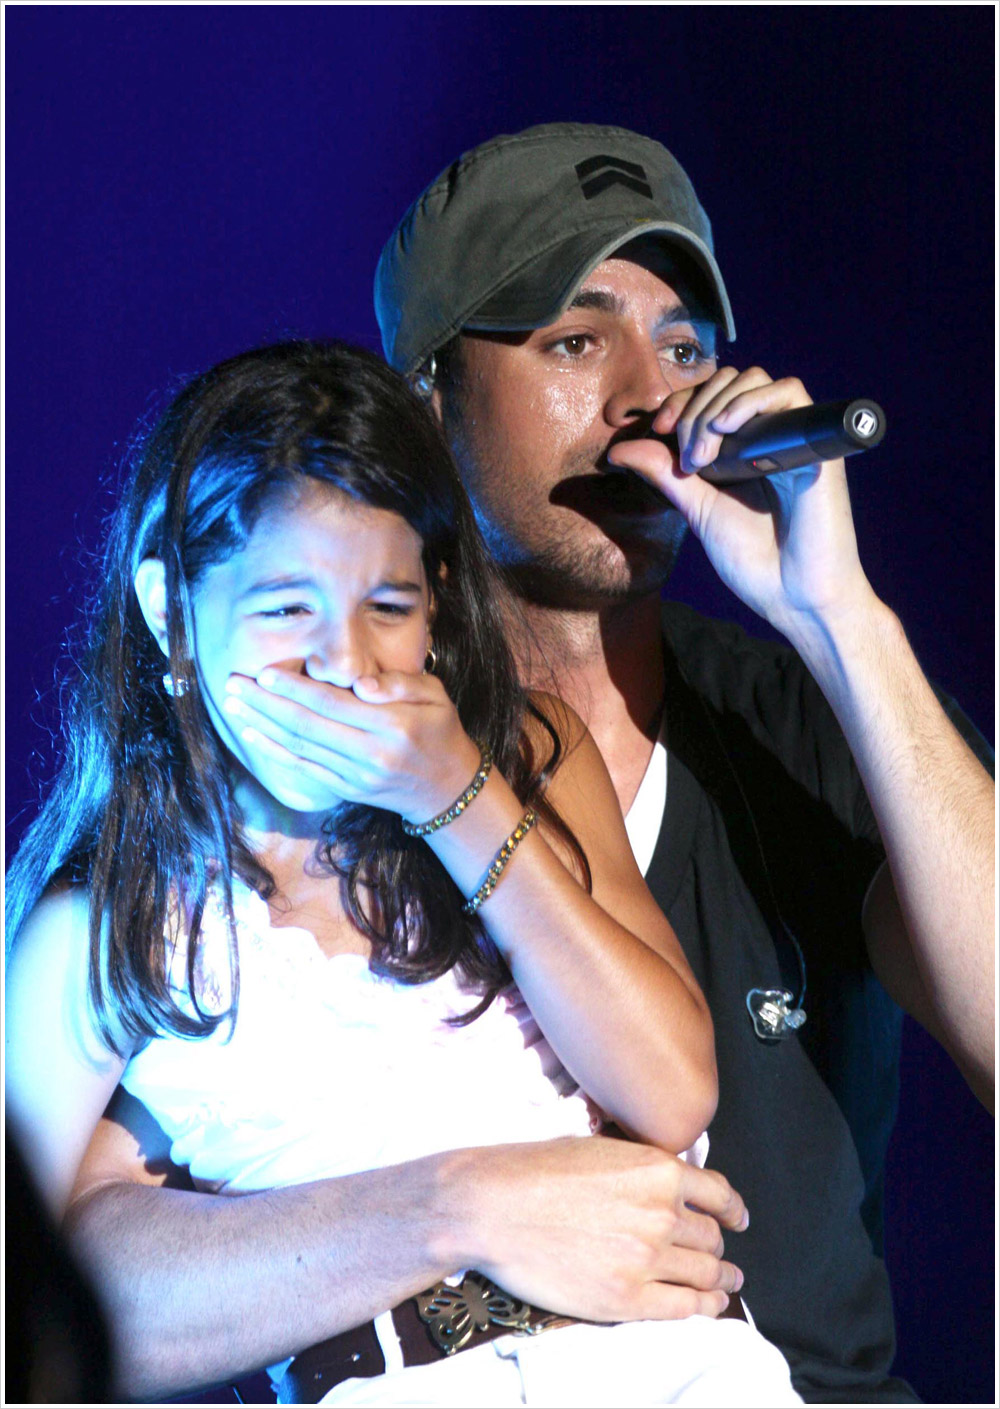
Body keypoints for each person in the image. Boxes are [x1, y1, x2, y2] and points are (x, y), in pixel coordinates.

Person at [208, 125, 993, 1400]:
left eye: (682, 346)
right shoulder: (309, 755)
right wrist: (452, 1209)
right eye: (576, 342)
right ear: (425, 402)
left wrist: (836, 614)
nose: (646, 397)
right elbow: (68, 1266)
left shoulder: (809, 714)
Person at [5, 339, 802, 1406]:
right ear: (169, 611)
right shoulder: (112, 920)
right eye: (285, 608)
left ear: (436, 602)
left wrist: (453, 796)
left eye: (387, 606)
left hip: (682, 1370)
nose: (347, 663)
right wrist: (467, 1206)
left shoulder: (525, 757)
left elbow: (670, 1085)